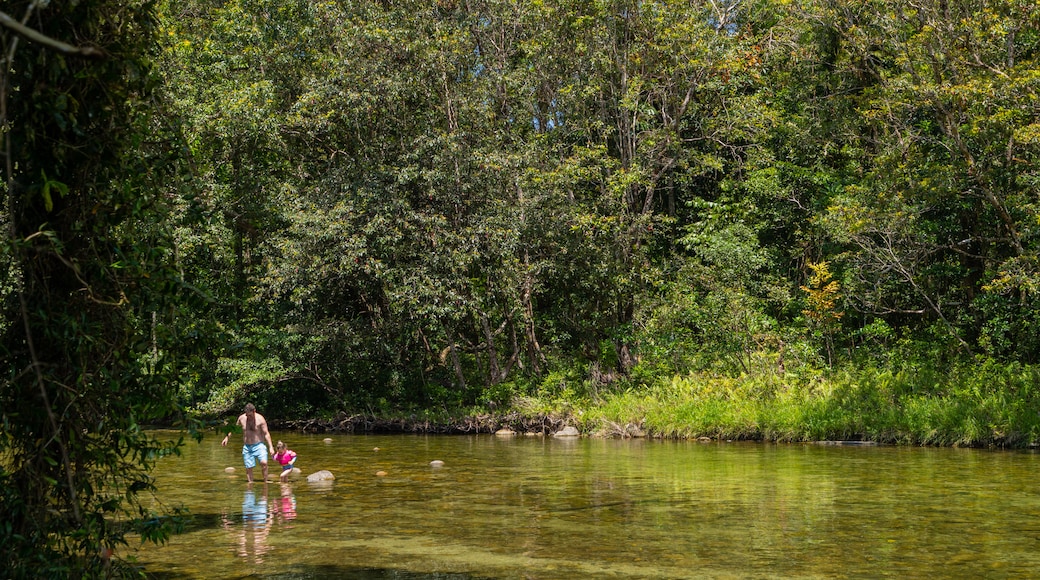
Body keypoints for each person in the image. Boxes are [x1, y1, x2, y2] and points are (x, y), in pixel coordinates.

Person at [222, 403, 275, 483]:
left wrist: (271, 447)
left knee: (264, 463)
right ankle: (250, 485)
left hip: (259, 445)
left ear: (254, 411)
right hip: (247, 447)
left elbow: (266, 433)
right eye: (247, 415)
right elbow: (234, 429)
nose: (248, 417)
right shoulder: (242, 418)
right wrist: (227, 438)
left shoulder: (260, 419)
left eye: (250, 415)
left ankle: (265, 482)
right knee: (249, 467)